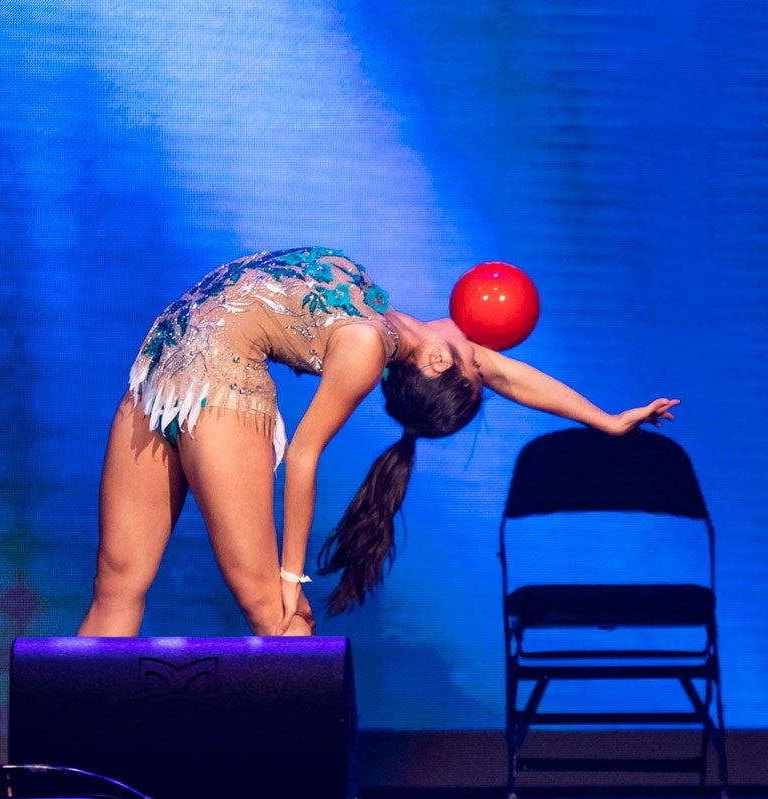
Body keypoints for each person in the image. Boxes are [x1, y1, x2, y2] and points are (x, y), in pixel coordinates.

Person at [77, 247, 679, 638]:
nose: (487, 354)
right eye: (481, 360)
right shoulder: (383, 317)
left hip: (221, 383)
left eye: (474, 358)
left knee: (275, 615)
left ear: (440, 360)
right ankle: (31, 782)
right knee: (117, 585)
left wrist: (290, 578)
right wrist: (605, 419)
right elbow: (503, 375)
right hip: (160, 367)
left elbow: (306, 454)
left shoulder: (367, 345)